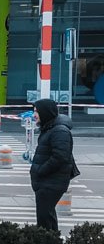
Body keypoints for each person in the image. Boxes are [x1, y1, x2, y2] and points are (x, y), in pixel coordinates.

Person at [30, 98, 79, 231]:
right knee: (47, 217)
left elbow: (60, 157)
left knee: (44, 219)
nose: (34, 115)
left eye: (36, 112)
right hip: (47, 182)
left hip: (51, 182)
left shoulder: (59, 131)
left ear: (45, 112)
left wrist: (40, 170)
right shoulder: (49, 128)